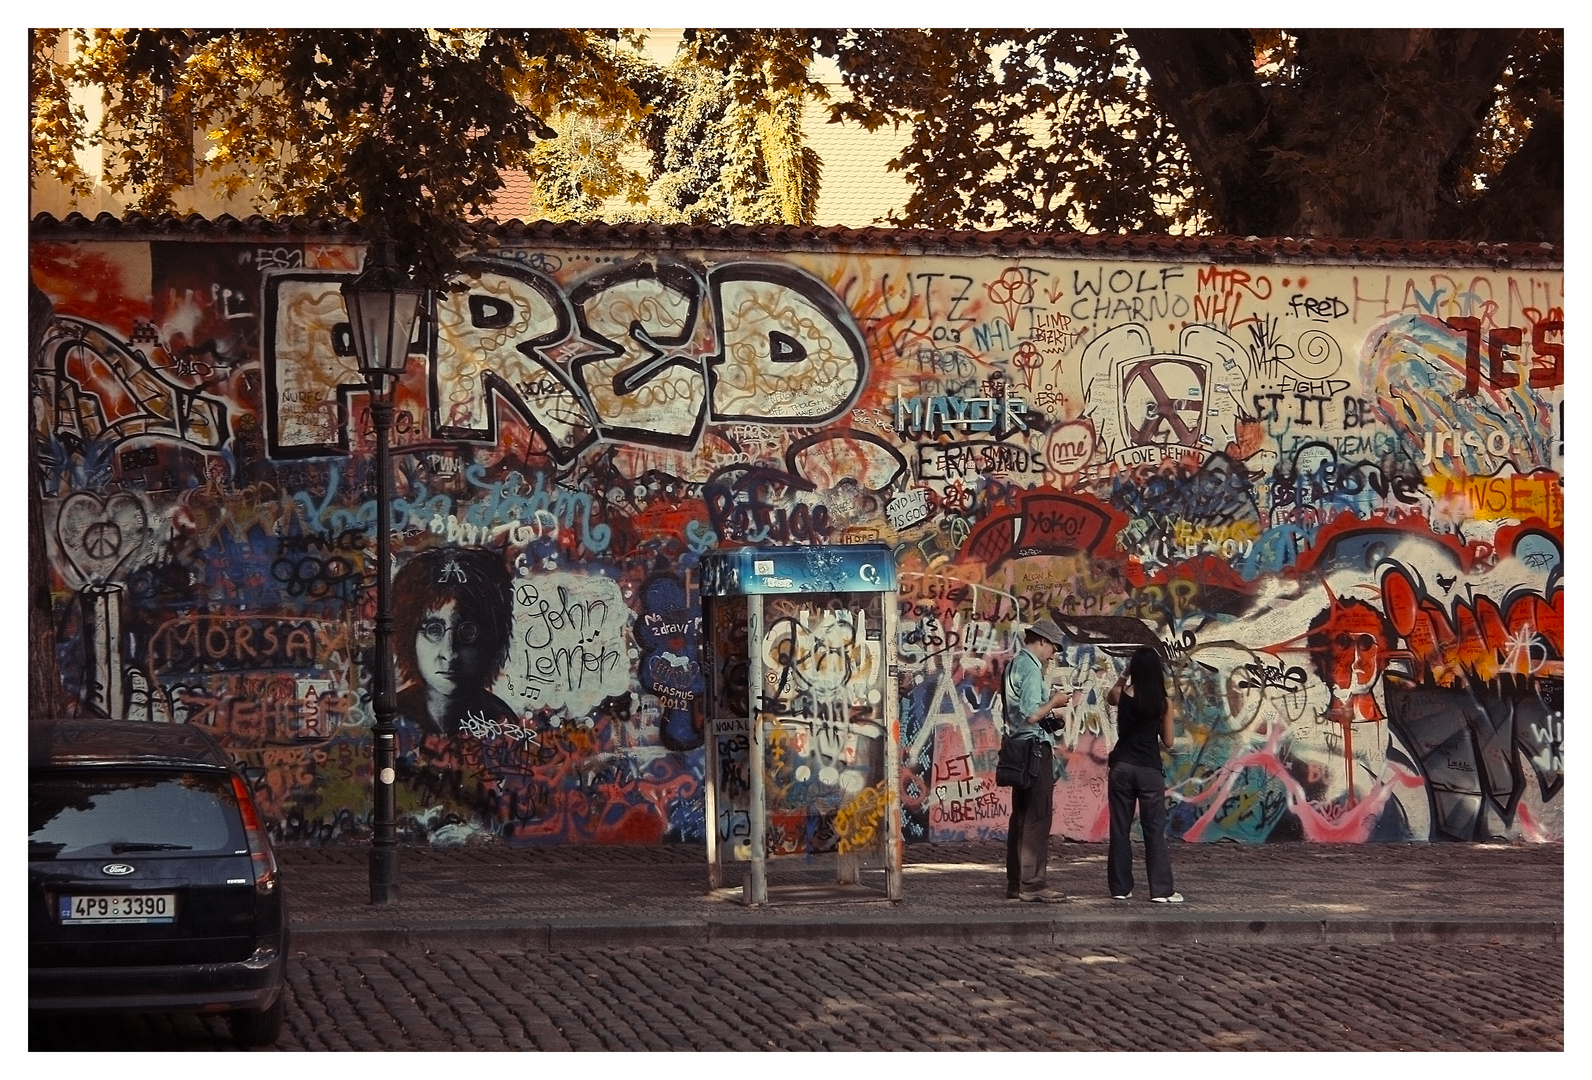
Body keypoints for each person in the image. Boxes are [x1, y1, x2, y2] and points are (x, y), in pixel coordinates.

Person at [389, 546, 519, 829]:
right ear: (409, 637)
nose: (449, 652)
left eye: (467, 631)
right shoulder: (392, 718)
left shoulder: (502, 726)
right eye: (433, 629)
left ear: (491, 639)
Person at [1002, 617, 1072, 903]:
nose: (1054, 654)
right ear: (1042, 640)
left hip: (1018, 746)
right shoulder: (1031, 668)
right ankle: (1033, 884)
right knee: (1037, 816)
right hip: (1034, 748)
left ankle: (1016, 882)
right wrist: (1055, 702)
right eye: (1054, 647)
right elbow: (1032, 714)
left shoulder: (1014, 664)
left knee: (1021, 816)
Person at [1105, 646, 1182, 903]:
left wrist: (1124, 673)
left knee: (1119, 829)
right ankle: (1161, 891)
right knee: (1153, 830)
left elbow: (1110, 696)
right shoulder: (1163, 702)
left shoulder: (1122, 695)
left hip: (1122, 768)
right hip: (1149, 770)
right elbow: (1169, 741)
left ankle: (1120, 888)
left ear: (1134, 669)